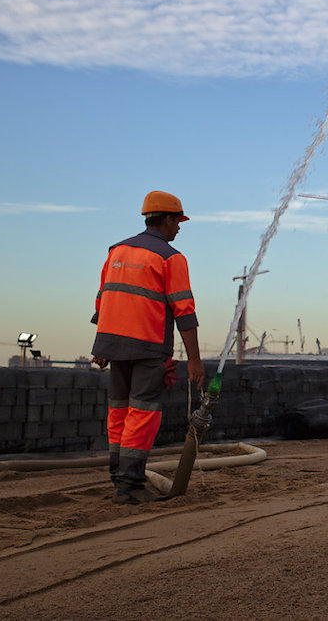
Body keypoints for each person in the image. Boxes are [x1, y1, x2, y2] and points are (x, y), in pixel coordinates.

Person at [91, 191, 204, 504]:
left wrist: (101, 345)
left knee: (118, 413)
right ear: (166, 219)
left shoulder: (117, 250)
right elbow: (184, 311)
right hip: (147, 347)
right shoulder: (171, 257)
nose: (179, 229)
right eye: (178, 222)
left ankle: (120, 481)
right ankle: (129, 485)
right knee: (142, 415)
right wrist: (194, 361)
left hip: (113, 346)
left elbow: (104, 298)